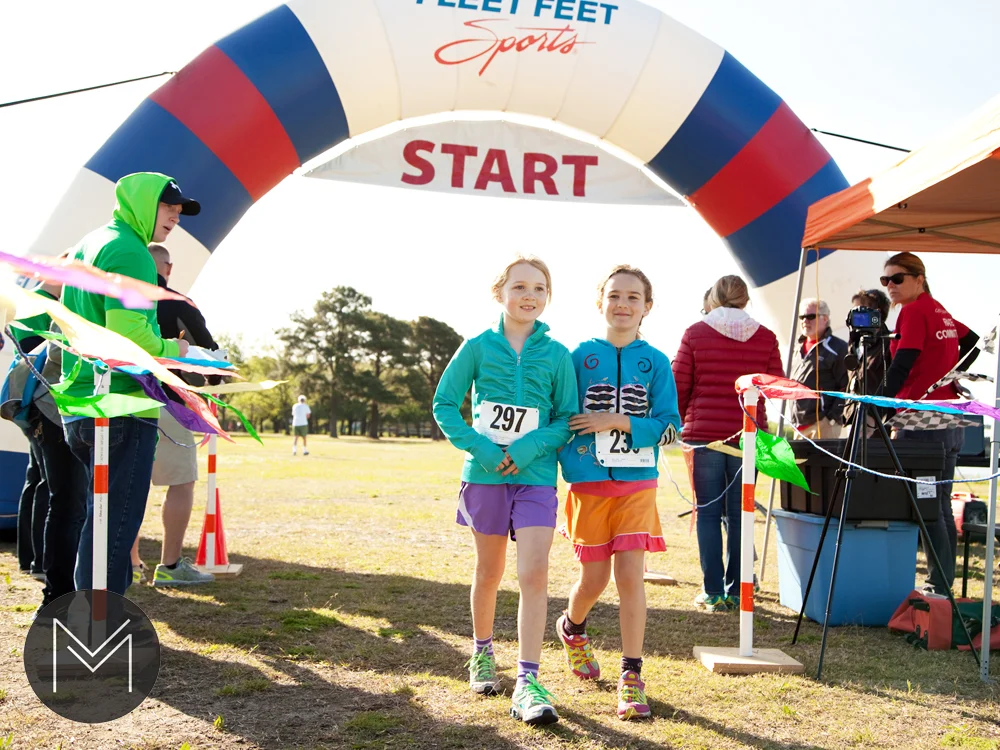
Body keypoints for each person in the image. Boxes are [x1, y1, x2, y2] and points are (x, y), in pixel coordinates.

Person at [433, 256, 576, 726]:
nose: (529, 295)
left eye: (539, 287)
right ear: (500, 292)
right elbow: (444, 404)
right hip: (486, 475)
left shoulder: (558, 355)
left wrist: (532, 445)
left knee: (534, 573)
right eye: (519, 286)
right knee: (489, 571)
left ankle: (528, 680)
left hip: (535, 478)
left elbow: (564, 418)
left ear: (547, 297)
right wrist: (484, 448)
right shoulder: (476, 347)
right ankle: (481, 652)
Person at [556, 265, 681, 721]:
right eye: (614, 296)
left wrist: (621, 421)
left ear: (647, 307)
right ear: (600, 302)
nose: (623, 304)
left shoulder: (657, 362)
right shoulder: (577, 356)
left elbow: (671, 427)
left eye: (633, 297)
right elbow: (560, 416)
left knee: (631, 576)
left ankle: (631, 674)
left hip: (637, 486)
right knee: (595, 581)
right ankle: (572, 628)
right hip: (588, 485)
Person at [60, 172, 195, 596]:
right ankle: (99, 631)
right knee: (116, 528)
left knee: (98, 521)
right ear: (140, 203)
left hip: (80, 401)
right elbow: (131, 337)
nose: (174, 217)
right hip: (120, 406)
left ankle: (92, 622)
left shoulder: (92, 242)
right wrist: (175, 349)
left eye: (178, 211)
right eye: (167, 207)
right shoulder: (132, 252)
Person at [672, 275, 783, 611]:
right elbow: (774, 386)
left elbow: (679, 386)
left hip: (704, 435)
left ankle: (712, 590)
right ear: (746, 300)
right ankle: (738, 590)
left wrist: (678, 423)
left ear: (715, 299)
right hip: (748, 434)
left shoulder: (695, 333)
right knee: (741, 513)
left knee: (707, 511)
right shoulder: (766, 337)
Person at [881, 252, 979, 596]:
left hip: (922, 420)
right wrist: (950, 375)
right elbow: (972, 341)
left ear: (918, 279)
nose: (890, 286)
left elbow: (902, 363)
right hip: (950, 417)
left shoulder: (914, 310)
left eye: (898, 279)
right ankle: (942, 583)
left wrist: (877, 406)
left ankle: (939, 585)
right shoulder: (939, 309)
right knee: (938, 502)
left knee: (928, 503)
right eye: (886, 280)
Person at [129, 244, 217, 587]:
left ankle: (130, 566)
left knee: (128, 485)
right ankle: (170, 565)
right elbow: (208, 353)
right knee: (180, 483)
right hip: (170, 402)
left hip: (122, 401)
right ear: (168, 267)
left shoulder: (120, 298)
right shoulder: (178, 303)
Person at [790, 298, 849, 438]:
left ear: (825, 319)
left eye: (810, 316)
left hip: (823, 424)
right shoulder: (796, 349)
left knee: (823, 461)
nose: (805, 321)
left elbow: (847, 386)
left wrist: (831, 419)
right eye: (802, 317)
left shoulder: (838, 348)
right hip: (798, 425)